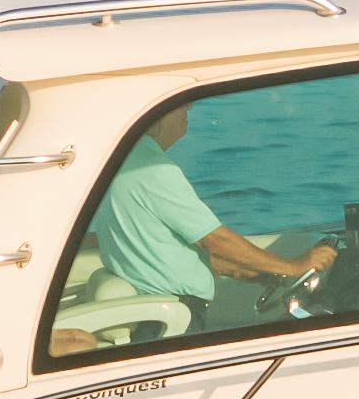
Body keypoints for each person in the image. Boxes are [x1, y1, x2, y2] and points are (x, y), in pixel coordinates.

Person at [88, 106, 336, 313]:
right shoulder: (153, 171)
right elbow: (215, 240)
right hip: (177, 313)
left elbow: (158, 246)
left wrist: (250, 271)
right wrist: (293, 266)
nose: (188, 107)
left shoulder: (124, 163)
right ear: (152, 120)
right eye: (177, 104)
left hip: (156, 309)